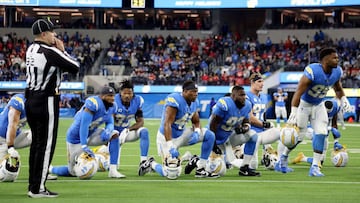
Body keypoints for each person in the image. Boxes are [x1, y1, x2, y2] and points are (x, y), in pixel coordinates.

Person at [25, 18, 79, 198]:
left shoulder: (31, 49)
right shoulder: (50, 52)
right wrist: (63, 50)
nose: (55, 35)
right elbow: (75, 67)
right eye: (52, 32)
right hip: (46, 99)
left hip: (30, 98)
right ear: (44, 34)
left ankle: (32, 184)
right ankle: (38, 188)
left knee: (36, 144)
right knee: (46, 145)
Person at [281, 47, 351, 177]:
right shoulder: (313, 70)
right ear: (325, 59)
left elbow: (338, 88)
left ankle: (315, 167)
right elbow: (298, 92)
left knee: (322, 132)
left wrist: (344, 98)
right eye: (334, 57)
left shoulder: (337, 72)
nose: (337, 60)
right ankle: (283, 158)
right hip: (304, 104)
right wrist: (293, 111)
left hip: (319, 104)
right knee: (299, 136)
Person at [138, 80, 218, 178]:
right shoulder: (175, 100)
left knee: (209, 135)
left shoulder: (194, 103)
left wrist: (197, 131)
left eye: (196, 91)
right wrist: (170, 145)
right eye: (192, 91)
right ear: (184, 91)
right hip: (167, 138)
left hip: (182, 134)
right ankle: (151, 164)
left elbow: (196, 121)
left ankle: (201, 168)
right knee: (171, 174)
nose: (195, 94)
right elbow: (167, 124)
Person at [49, 86, 124, 179]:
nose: (112, 98)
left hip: (92, 133)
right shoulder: (94, 103)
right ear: (102, 96)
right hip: (76, 138)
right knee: (72, 172)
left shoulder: (112, 106)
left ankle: (113, 170)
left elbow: (110, 121)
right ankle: (51, 169)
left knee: (114, 134)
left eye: (113, 96)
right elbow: (83, 125)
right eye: (109, 96)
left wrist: (108, 129)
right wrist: (84, 145)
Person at [244, 73, 281, 172]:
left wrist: (266, 125)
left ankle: (279, 158)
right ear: (252, 82)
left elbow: (263, 116)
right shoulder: (246, 96)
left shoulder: (264, 97)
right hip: (251, 133)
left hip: (261, 132)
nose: (262, 84)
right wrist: (265, 124)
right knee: (253, 166)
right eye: (259, 81)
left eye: (262, 81)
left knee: (282, 133)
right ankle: (236, 156)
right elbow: (250, 118)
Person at [113, 80, 150, 175]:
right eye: (124, 93)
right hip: (113, 133)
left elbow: (141, 122)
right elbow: (109, 122)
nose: (127, 96)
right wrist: (114, 133)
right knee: (109, 165)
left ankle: (143, 162)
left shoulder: (137, 101)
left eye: (129, 93)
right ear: (120, 93)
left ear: (133, 94)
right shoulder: (114, 101)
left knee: (144, 131)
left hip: (126, 132)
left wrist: (127, 130)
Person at [292, 99, 344, 166]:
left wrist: (336, 141)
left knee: (321, 161)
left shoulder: (335, 107)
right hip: (311, 129)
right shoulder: (316, 107)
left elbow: (334, 124)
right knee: (318, 139)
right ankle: (284, 154)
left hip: (323, 131)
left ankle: (302, 158)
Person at [0, 94, 31, 182]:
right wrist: (10, 148)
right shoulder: (19, 100)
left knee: (42, 135)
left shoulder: (39, 105)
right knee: (4, 175)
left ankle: (41, 171)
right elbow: (12, 125)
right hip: (2, 139)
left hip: (15, 138)